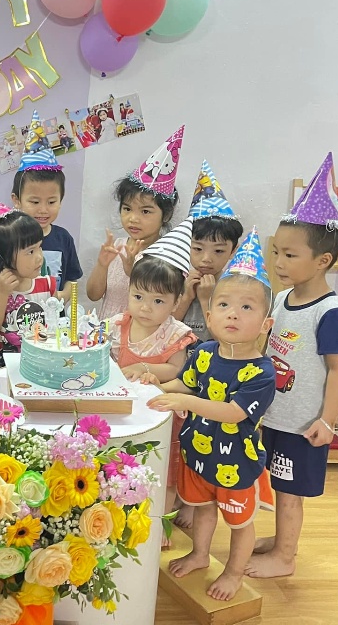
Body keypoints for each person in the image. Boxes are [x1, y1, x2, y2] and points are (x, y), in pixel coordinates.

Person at [147, 228, 276, 601]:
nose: (232, 313)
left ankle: (234, 574)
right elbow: (185, 385)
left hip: (237, 465)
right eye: (223, 305)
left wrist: (183, 402)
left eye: (247, 307)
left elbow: (233, 413)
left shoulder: (261, 372)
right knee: (202, 509)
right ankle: (200, 554)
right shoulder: (203, 352)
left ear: (266, 324)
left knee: (239, 522)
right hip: (198, 454)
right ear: (208, 313)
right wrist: (155, 386)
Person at [247, 153, 338, 580]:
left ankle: (285, 557)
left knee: (291, 493)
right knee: (277, 483)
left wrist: (328, 421)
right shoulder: (282, 298)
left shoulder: (330, 313)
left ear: (322, 260)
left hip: (304, 425)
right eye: (276, 251)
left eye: (290, 255)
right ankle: (280, 542)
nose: (279, 262)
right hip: (275, 416)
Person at [111, 219, 198, 537]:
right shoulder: (119, 324)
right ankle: (124, 519)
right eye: (138, 296)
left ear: (176, 302)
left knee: (165, 470)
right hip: (126, 412)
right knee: (126, 466)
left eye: (158, 301)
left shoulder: (175, 333)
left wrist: (145, 369)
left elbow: (177, 370)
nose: (145, 307)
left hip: (163, 413)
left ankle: (160, 527)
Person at [87, 127, 185, 320]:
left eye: (145, 211)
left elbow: (170, 310)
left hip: (142, 336)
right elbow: (93, 295)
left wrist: (133, 271)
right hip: (107, 333)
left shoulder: (168, 256)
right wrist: (102, 264)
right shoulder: (117, 247)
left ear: (166, 215)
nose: (133, 218)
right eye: (127, 209)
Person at [0, 186, 56, 371]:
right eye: (30, 251)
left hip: (37, 362)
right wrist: (2, 293)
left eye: (39, 247)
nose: (39, 257)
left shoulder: (47, 284)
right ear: (3, 256)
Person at [0, 147, 81, 297]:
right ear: (17, 200)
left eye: (51, 202)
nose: (43, 210)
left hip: (52, 311)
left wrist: (61, 297)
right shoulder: (5, 239)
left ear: (61, 200)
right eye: (35, 202)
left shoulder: (63, 238)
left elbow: (72, 280)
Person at [175, 160, 244, 345]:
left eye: (219, 250)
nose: (206, 259)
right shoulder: (176, 280)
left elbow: (228, 342)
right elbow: (163, 333)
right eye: (198, 249)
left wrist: (207, 300)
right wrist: (187, 297)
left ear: (233, 251)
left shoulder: (235, 288)